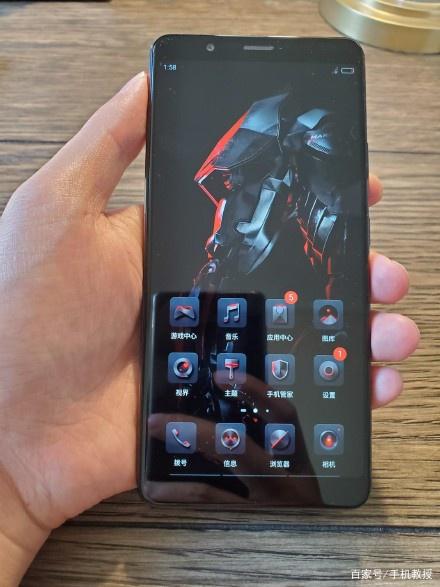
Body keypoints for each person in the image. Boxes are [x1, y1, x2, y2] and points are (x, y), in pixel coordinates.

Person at [0, 71, 420, 585]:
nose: (225, 217)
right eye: (227, 191)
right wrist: (14, 475)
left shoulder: (310, 174)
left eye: (237, 186)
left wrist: (15, 483)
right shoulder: (224, 256)